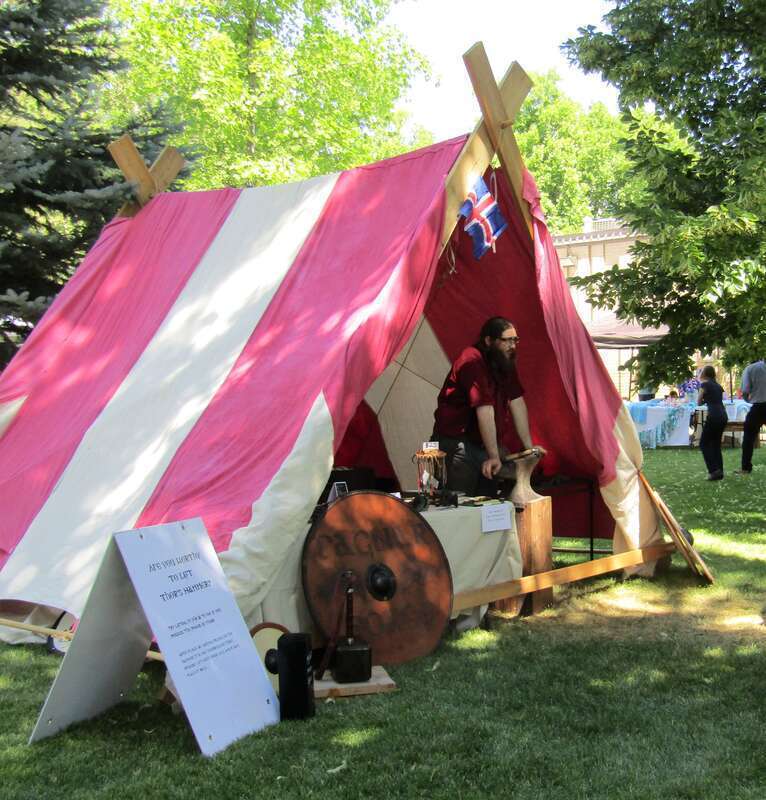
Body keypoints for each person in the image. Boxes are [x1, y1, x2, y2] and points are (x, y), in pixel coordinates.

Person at [432, 316, 545, 495]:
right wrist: (493, 455)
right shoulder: (471, 360)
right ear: (488, 340)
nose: (513, 346)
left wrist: (529, 447)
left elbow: (516, 401)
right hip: (455, 446)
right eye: (507, 341)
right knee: (458, 507)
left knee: (487, 508)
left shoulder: (504, 362)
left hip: (480, 447)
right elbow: (484, 409)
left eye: (515, 340)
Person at [736, 357, 766, 474]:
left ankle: (745, 467)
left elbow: (745, 391)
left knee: (748, 438)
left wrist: (748, 400)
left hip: (758, 406)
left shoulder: (751, 369)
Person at [696, 365, 726, 481]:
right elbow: (716, 399)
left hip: (713, 416)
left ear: (705, 374)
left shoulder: (704, 385)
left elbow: (698, 402)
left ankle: (714, 471)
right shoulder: (718, 386)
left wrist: (704, 399)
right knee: (716, 444)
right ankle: (720, 471)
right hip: (723, 415)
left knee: (704, 443)